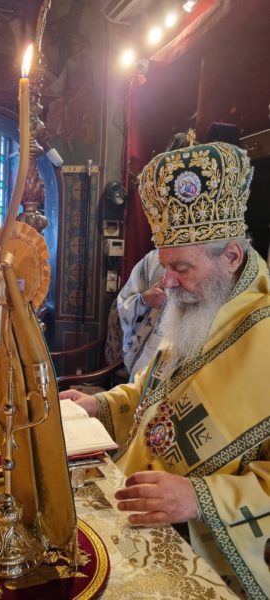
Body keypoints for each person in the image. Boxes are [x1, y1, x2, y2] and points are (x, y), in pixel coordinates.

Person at [61, 139, 270, 598]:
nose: (168, 283)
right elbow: (153, 392)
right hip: (139, 505)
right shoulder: (199, 303)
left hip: (208, 545)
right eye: (165, 266)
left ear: (231, 256)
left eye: (181, 267)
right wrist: (99, 403)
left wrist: (200, 498)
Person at [116, 248, 165, 381]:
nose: (169, 281)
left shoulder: (210, 260)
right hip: (145, 362)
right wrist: (145, 300)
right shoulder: (152, 260)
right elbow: (124, 304)